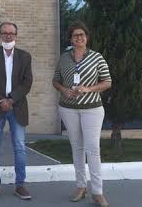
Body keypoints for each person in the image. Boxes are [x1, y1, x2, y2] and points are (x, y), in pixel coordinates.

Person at [53, 21, 112, 207]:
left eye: (82, 35)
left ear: (87, 38)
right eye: (75, 35)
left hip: (92, 109)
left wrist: (88, 89)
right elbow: (55, 80)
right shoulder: (64, 58)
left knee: (93, 149)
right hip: (68, 108)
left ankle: (97, 191)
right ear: (70, 39)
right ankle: (80, 186)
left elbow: (107, 82)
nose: (79, 37)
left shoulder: (97, 57)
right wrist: (63, 90)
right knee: (77, 148)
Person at [0, 22, 33, 200]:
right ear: (0, 35)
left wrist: (11, 100)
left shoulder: (25, 56)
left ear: (16, 35)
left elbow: (27, 82)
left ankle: (20, 185)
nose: (8, 36)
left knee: (19, 147)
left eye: (11, 33)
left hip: (17, 107)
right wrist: (1, 100)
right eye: (4, 33)